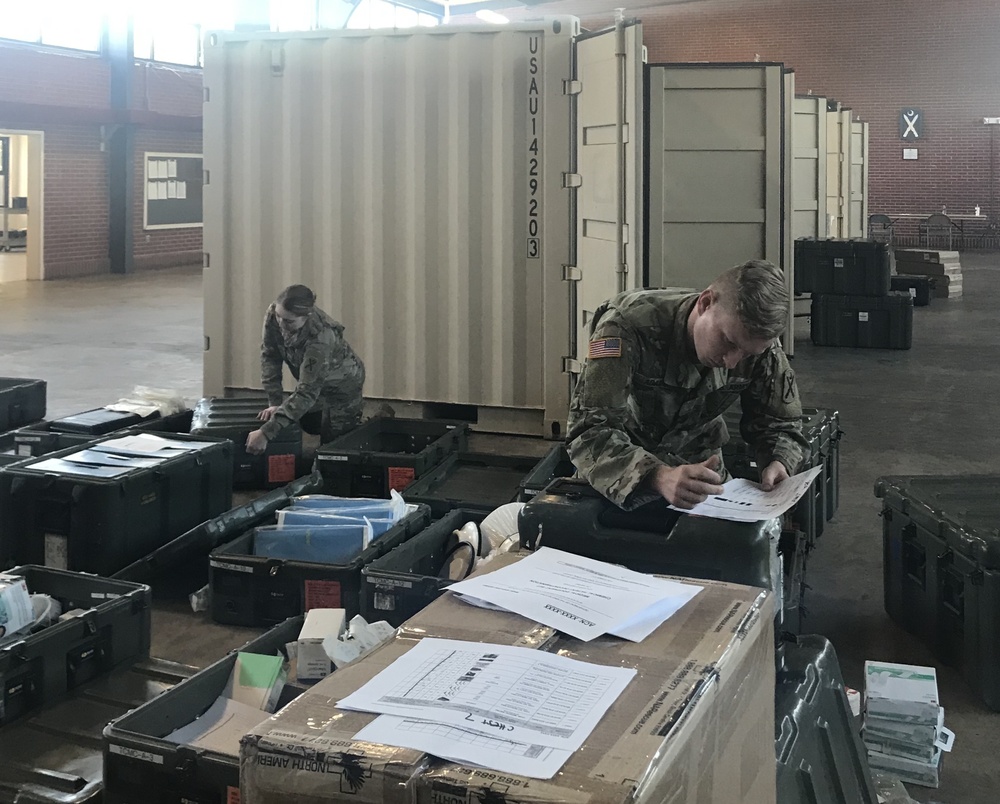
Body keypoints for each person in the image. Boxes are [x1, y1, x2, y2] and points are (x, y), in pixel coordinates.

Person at [567, 259, 807, 511]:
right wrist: (657, 476)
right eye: (728, 341)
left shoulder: (760, 347)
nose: (731, 361)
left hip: (702, 478)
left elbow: (780, 423)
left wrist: (779, 461)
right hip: (619, 474)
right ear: (705, 303)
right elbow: (588, 433)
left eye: (747, 354)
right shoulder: (627, 327)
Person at [246, 284, 366, 455]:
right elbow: (270, 356)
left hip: (341, 388)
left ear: (306, 317)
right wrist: (275, 403)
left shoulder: (320, 339)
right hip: (315, 383)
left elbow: (306, 392)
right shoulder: (275, 313)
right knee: (308, 422)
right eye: (279, 316)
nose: (280, 323)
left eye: (288, 321)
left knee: (333, 450)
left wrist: (266, 432)